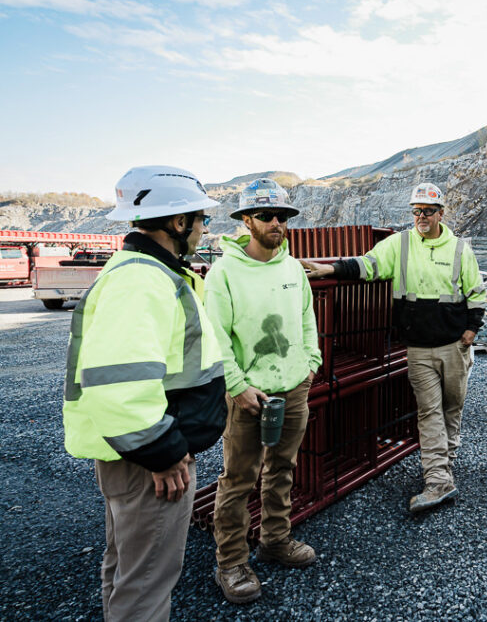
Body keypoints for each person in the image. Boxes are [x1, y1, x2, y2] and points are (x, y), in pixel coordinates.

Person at [62, 166, 226, 621]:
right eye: (201, 220)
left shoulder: (148, 273)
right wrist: (164, 453)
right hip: (152, 465)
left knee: (127, 571)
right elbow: (120, 383)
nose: (203, 230)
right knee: (147, 586)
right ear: (178, 223)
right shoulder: (142, 281)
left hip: (143, 459)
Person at [302, 182, 487, 513]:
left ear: (440, 214)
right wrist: (329, 268)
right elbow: (367, 265)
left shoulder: (460, 249)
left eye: (427, 212)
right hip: (418, 349)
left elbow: (476, 292)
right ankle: (438, 480)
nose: (421, 217)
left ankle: (446, 463)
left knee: (451, 408)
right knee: (429, 412)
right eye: (416, 211)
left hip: (454, 347)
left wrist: (471, 330)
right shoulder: (399, 245)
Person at [205, 178, 323, 604]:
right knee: (238, 479)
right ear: (246, 220)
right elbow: (215, 336)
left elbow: (307, 319)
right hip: (248, 396)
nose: (277, 223)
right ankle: (231, 562)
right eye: (267, 216)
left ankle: (275, 539)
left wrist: (311, 363)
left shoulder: (292, 268)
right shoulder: (224, 273)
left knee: (283, 468)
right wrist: (236, 386)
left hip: (293, 388)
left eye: (283, 216)